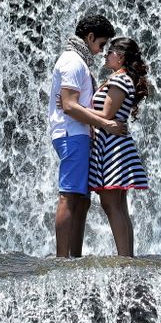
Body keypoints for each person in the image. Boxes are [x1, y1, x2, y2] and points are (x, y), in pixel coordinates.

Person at [48, 14, 125, 257]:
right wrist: (105, 123)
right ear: (89, 37)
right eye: (101, 44)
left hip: (78, 135)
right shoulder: (73, 62)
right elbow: (70, 106)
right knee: (69, 196)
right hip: (72, 135)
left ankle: (73, 255)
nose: (102, 51)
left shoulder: (78, 61)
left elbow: (71, 103)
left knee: (81, 199)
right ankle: (62, 260)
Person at [88, 37, 150, 257]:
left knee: (111, 204)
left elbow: (106, 115)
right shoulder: (120, 78)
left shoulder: (120, 80)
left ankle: (125, 258)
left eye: (110, 51)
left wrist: (74, 107)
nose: (105, 54)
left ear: (121, 56)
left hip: (112, 148)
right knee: (119, 206)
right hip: (115, 145)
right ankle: (127, 257)